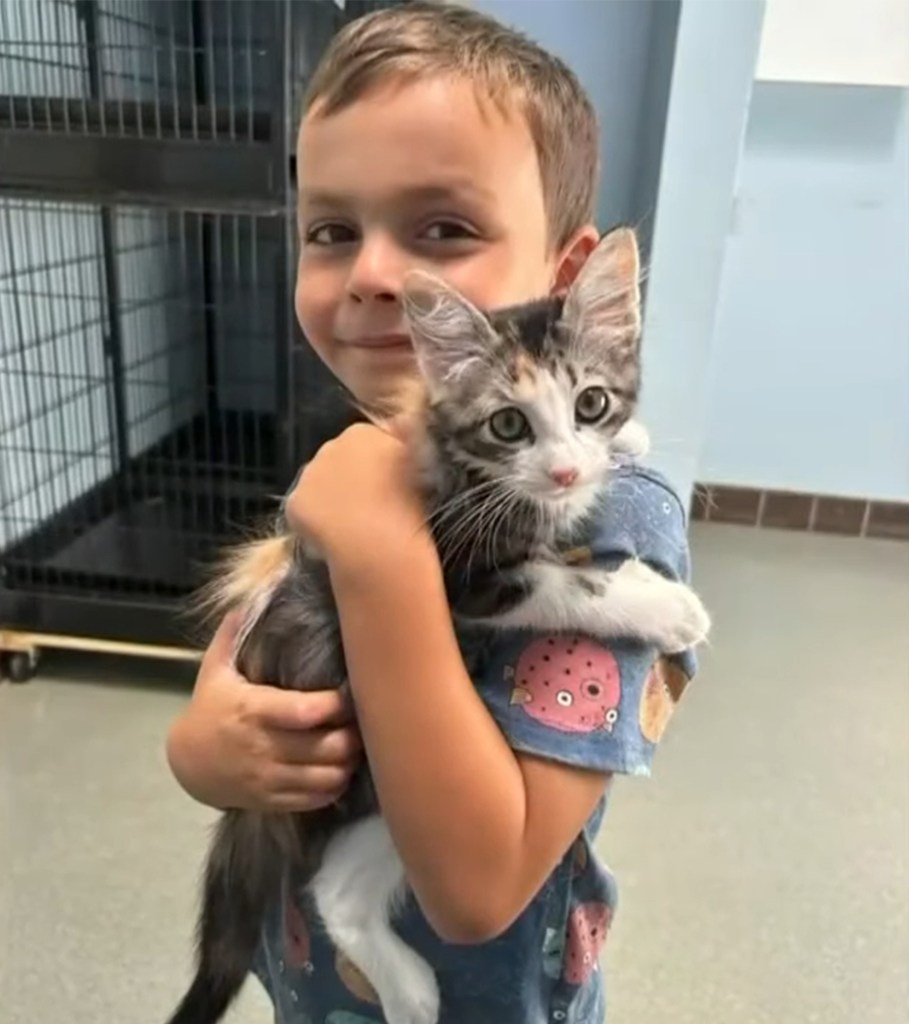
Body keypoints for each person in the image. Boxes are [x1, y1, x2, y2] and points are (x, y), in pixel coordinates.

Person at [166, 3, 700, 1021]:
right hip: (313, 983)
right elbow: (250, 659)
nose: (376, 276)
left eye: (444, 228)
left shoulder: (624, 523)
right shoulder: (358, 459)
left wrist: (381, 561)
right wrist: (200, 750)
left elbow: (476, 889)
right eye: (330, 230)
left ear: (567, 274)